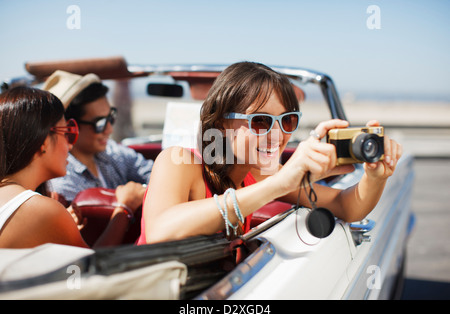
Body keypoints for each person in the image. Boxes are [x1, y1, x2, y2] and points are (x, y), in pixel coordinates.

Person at [137, 61, 402, 245]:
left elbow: (346, 206)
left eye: (287, 121)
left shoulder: (261, 175)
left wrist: (375, 177)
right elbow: (161, 231)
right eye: (261, 121)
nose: (277, 135)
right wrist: (279, 183)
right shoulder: (179, 162)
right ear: (220, 125)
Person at [0, 87, 137, 248]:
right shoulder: (44, 210)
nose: (70, 145)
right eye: (67, 133)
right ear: (43, 143)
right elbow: (90, 270)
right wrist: (124, 209)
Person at [42, 70, 153, 206]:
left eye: (110, 117)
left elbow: (151, 172)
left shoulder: (111, 152)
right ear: (69, 127)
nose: (109, 129)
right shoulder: (62, 183)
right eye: (100, 123)